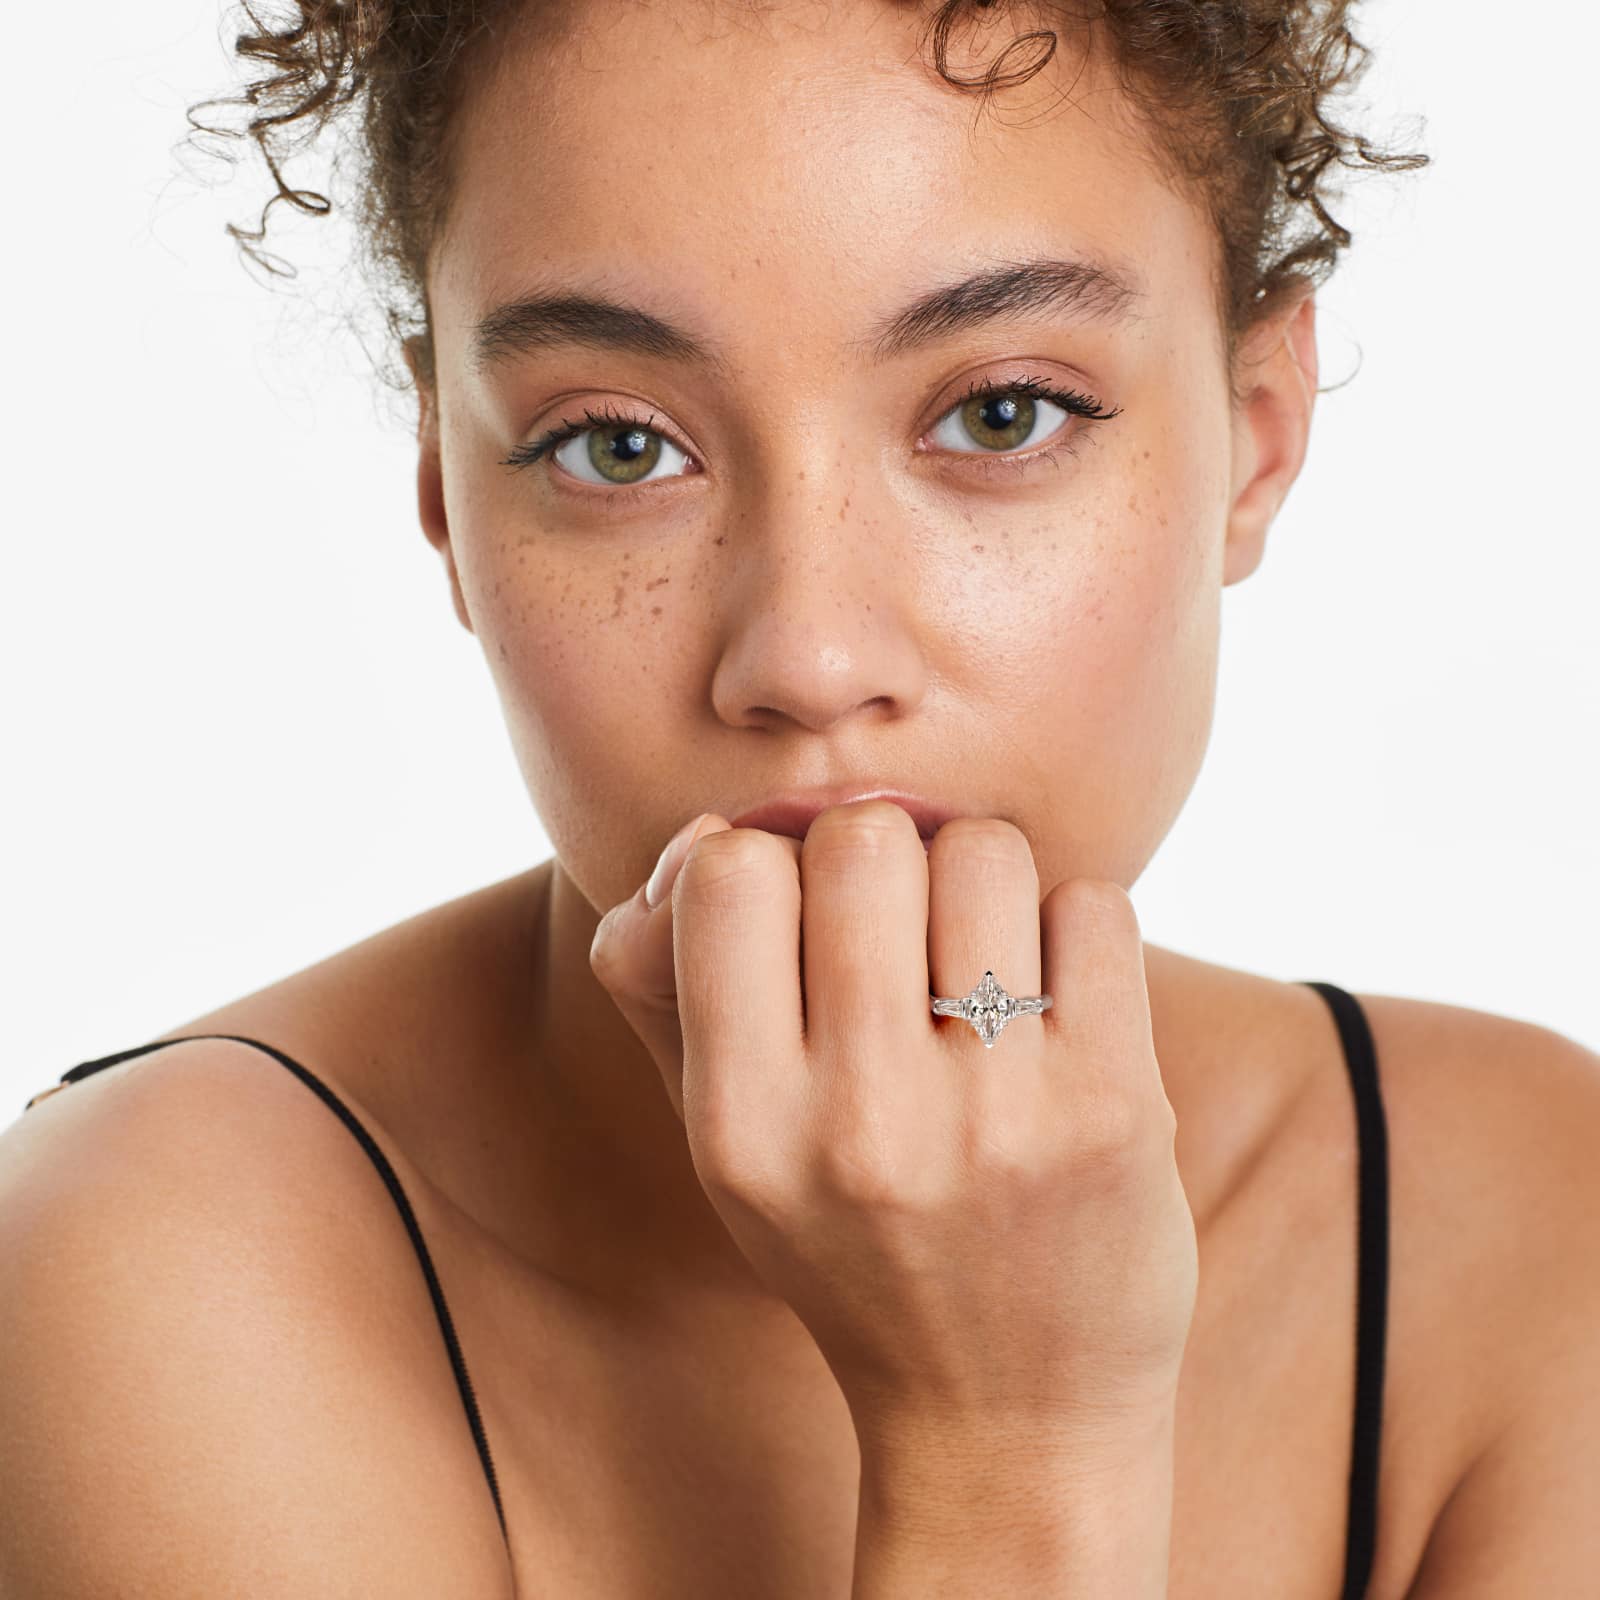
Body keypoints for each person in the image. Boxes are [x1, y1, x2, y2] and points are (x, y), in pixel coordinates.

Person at [3, 0, 1597, 1595]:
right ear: (445, 494)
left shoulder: (1540, 1229)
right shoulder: (155, 1261)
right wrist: (1011, 1443)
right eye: (617, 446)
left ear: (1255, 439)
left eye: (1002, 412)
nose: (810, 659)